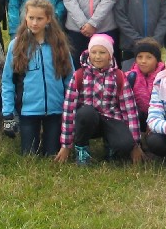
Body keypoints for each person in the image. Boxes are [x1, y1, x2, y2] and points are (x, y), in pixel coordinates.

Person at [55, 34, 143, 165]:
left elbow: (130, 110)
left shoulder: (119, 76)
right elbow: (69, 110)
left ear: (110, 55)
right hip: (88, 120)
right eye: (94, 52)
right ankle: (82, 148)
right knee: (86, 113)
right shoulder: (79, 75)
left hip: (111, 118)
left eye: (102, 52)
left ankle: (111, 146)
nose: (97, 56)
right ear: (88, 53)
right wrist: (66, 145)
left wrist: (135, 144)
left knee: (125, 145)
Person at [1, 0, 74, 156]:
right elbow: (7, 81)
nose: (34, 23)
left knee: (51, 154)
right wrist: (8, 112)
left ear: (48, 19)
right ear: (25, 18)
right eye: (31, 18)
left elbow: (70, 79)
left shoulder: (59, 45)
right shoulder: (16, 45)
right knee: (29, 155)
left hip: (55, 109)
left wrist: (70, 107)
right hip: (28, 111)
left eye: (39, 18)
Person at [125, 37, 165, 131]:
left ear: (157, 59)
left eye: (149, 57)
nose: (143, 61)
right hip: (139, 118)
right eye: (140, 57)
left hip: (161, 117)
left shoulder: (165, 76)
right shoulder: (130, 76)